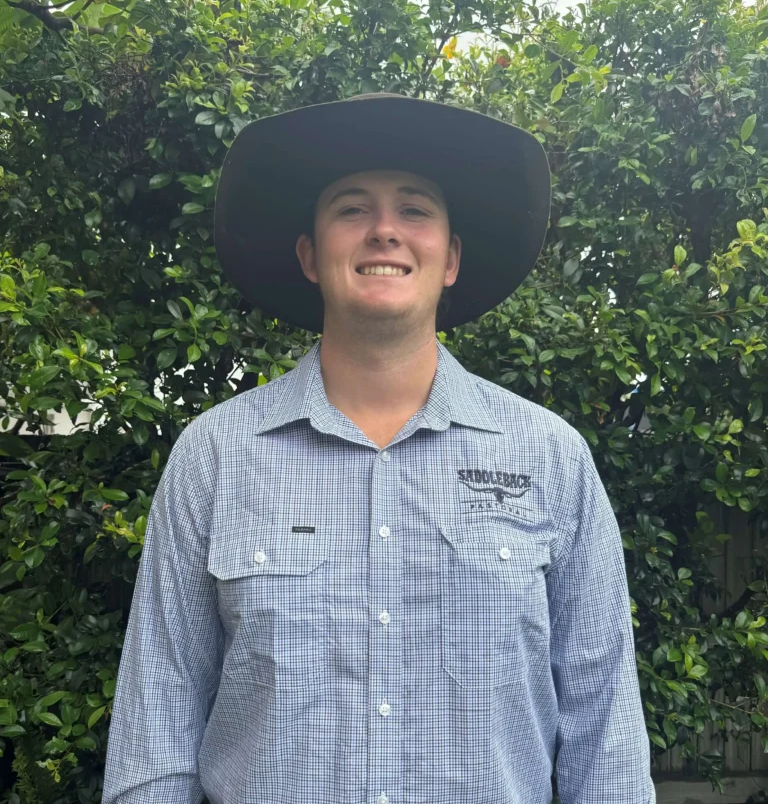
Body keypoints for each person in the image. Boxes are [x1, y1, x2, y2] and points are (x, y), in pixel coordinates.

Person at [102, 94, 656, 804]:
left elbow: (604, 741)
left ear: (450, 258)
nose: (385, 231)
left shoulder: (550, 458)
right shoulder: (214, 458)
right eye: (352, 208)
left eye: (416, 209)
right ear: (310, 254)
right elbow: (155, 741)